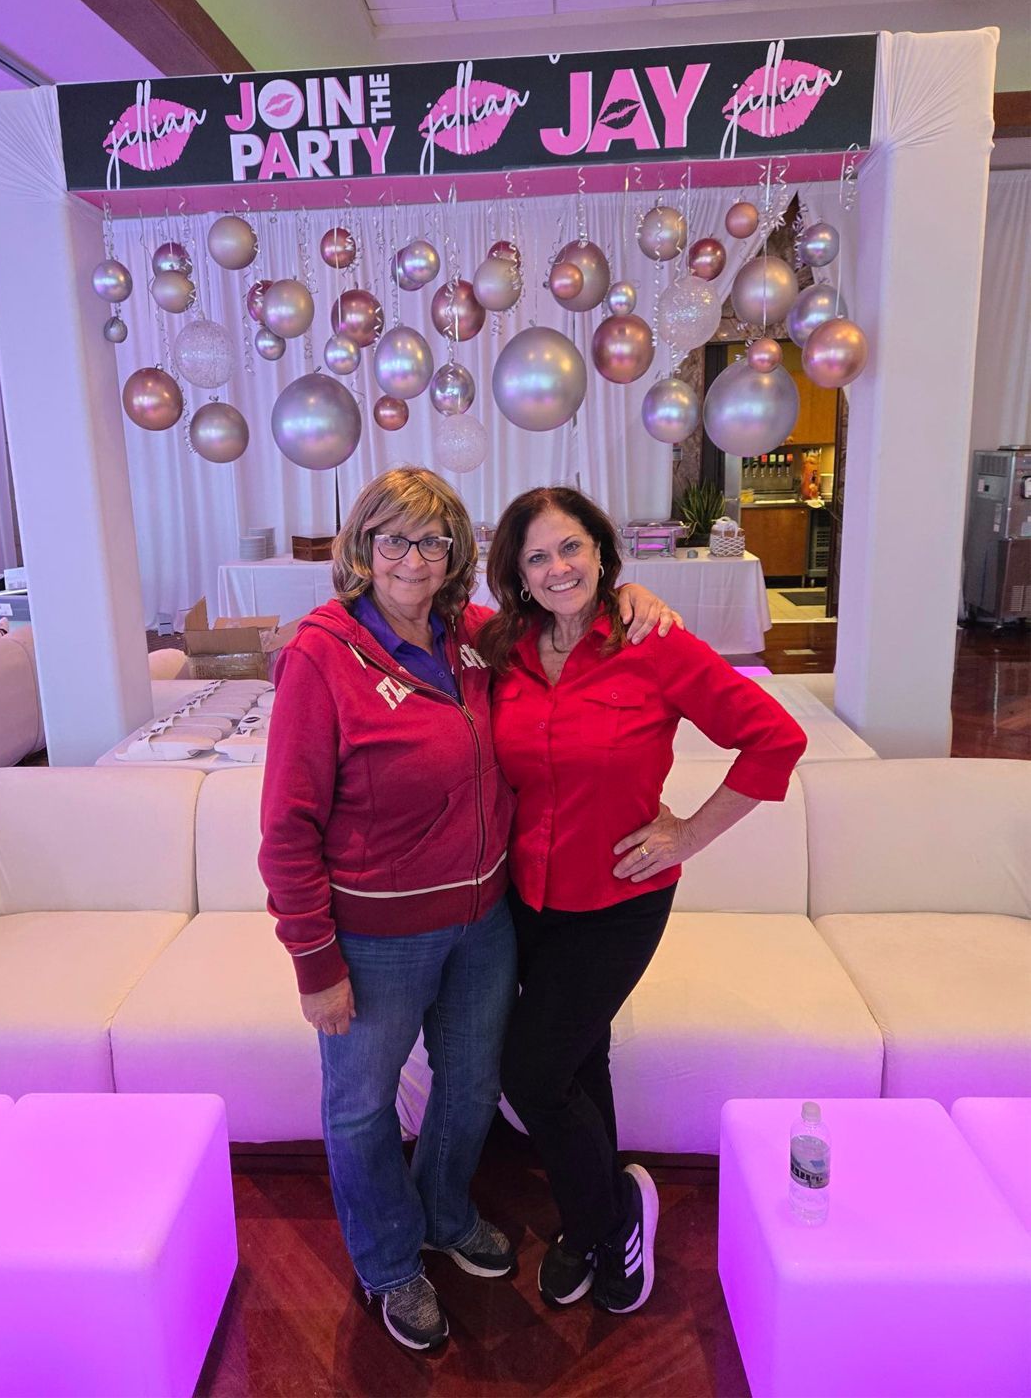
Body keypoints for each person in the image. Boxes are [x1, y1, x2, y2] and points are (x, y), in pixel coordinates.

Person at [258, 467, 675, 1353]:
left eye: (435, 539)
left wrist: (626, 594)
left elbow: (564, 611)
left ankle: (446, 1213)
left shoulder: (474, 637)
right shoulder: (321, 654)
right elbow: (286, 829)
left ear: (456, 555)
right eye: (395, 538)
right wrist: (314, 964)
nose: (415, 557)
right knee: (363, 1108)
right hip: (374, 939)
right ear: (363, 548)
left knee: (473, 1086)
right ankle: (390, 1260)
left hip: (486, 922)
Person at [478, 486, 807, 1318]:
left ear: (601, 550)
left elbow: (776, 737)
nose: (558, 568)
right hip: (528, 899)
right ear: (515, 575)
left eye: (572, 548)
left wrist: (690, 834)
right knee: (580, 1060)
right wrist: (309, 630)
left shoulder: (654, 643)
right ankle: (589, 1224)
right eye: (537, 557)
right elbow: (405, 615)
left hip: (619, 899)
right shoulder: (502, 647)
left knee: (530, 1069)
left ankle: (611, 1216)